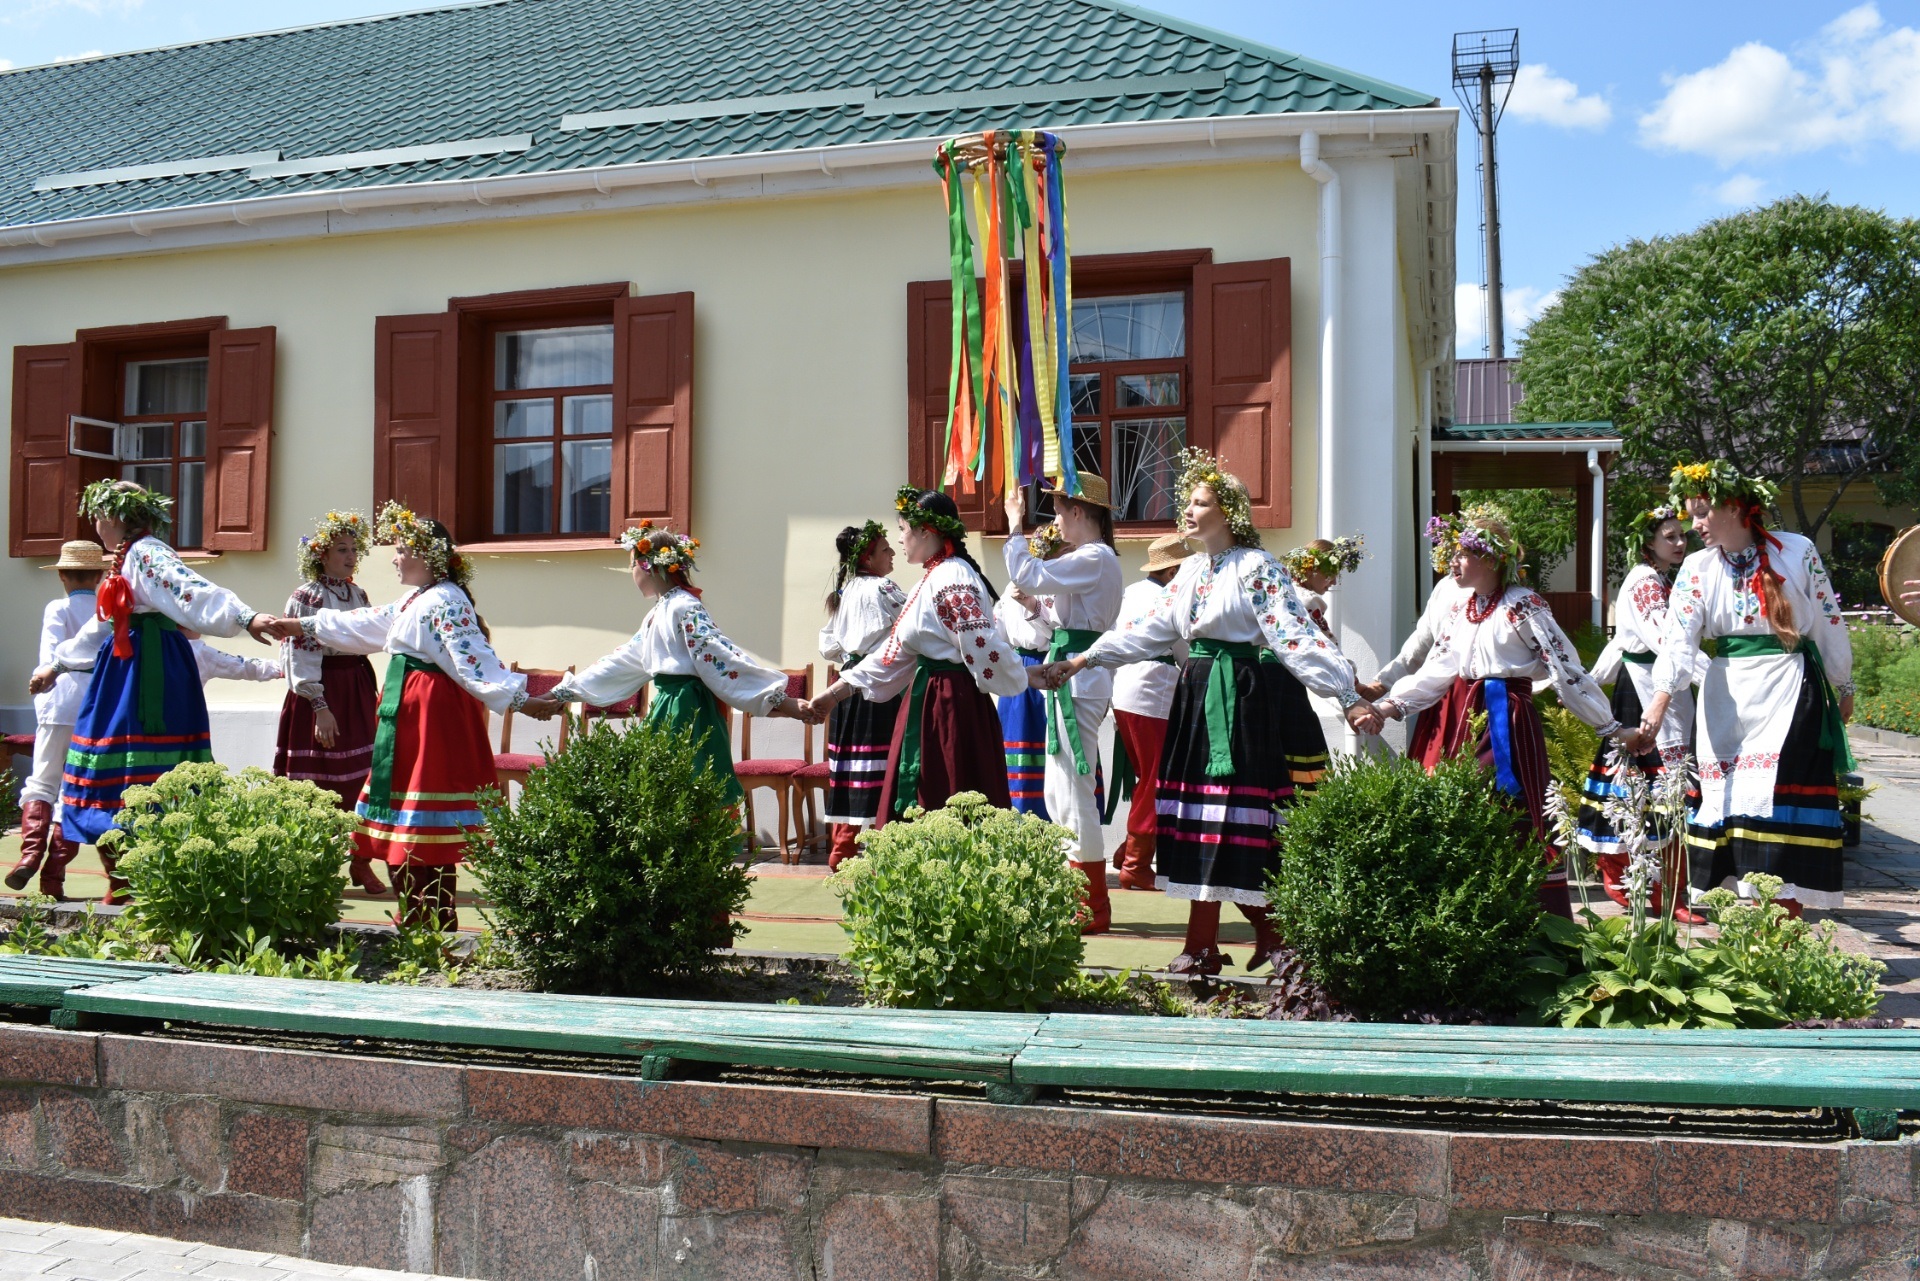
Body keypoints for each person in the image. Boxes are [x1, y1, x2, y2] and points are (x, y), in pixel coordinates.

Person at [1045, 451, 1381, 974]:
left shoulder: (1258, 567)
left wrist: (1348, 695)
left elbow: (1295, 637)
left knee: (1227, 819)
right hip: (1197, 695)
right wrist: (1086, 658)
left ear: (1228, 512)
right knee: (1203, 821)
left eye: (1200, 503)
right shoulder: (1193, 571)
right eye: (1190, 502)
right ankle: (1231, 941)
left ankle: (1235, 940)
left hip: (1242, 697)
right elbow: (1149, 629)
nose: (1189, 511)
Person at [261, 503, 561, 929]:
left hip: (432, 715)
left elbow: (473, 659)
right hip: (406, 709)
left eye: (402, 549)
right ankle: (420, 914)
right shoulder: (415, 598)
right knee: (406, 815)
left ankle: (431, 918)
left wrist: (521, 698)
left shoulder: (446, 600)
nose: (395, 558)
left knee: (423, 817)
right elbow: (367, 622)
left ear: (427, 557)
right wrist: (302, 626)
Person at [1373, 507, 1639, 917]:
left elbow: (1566, 670)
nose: (1453, 562)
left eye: (1462, 554)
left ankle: (1531, 920)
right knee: (1461, 807)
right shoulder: (1463, 608)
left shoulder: (1523, 605)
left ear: (1492, 560)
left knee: (1506, 806)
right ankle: (1467, 912)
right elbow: (1439, 667)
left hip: (1507, 723)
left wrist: (1608, 725)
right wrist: (1391, 705)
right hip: (1466, 720)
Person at [29, 482, 277, 903]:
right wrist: (59, 663)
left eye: (99, 516)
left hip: (152, 670)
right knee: (108, 765)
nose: (96, 524)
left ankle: (143, 880)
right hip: (126, 666)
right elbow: (102, 624)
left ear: (117, 518)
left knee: (143, 768)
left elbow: (192, 591)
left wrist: (245, 617)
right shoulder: (126, 558)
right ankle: (125, 880)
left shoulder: (149, 553)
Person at [1645, 462, 1854, 917]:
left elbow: (1828, 620)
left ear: (1735, 508)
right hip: (1727, 696)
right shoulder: (1698, 568)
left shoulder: (1795, 551)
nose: (1693, 526)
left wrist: (1843, 683)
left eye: (1701, 514)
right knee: (1732, 805)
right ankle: (1743, 921)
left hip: (1789, 688)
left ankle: (1780, 917)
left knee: (1779, 803)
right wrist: (1661, 697)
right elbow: (1678, 641)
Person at [549, 521, 809, 817]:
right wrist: (564, 692)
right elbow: (624, 659)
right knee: (667, 788)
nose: (631, 572)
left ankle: (696, 853)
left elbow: (719, 653)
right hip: (669, 705)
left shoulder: (684, 606)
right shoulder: (660, 610)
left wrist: (781, 701)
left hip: (688, 709)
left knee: (688, 786)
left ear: (649, 566)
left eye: (633, 564)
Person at [809, 487, 1036, 822]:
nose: (899, 540)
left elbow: (981, 642)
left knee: (951, 798)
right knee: (927, 799)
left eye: (902, 530)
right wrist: (835, 693)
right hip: (930, 703)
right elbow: (894, 652)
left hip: (952, 707)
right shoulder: (929, 580)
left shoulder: (951, 577)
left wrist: (1023, 675)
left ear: (925, 531)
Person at [1003, 476, 1124, 932]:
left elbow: (1029, 571)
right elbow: (1057, 614)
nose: (1054, 520)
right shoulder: (1090, 560)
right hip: (1070, 673)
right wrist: (1035, 606)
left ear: (1078, 512)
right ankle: (1075, 894)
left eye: (1057, 510)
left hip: (1079, 680)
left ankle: (1091, 904)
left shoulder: (1094, 557)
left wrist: (1016, 525)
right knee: (1060, 790)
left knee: (1073, 791)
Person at [1577, 505, 1703, 918]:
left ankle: (1667, 892)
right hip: (1648, 687)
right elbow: (1667, 639)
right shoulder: (1645, 582)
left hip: (1667, 686)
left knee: (1671, 786)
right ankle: (1635, 885)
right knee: (1645, 787)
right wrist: (1717, 676)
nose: (1680, 542)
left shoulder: (1661, 580)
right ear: (1648, 542)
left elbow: (1626, 641)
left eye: (1682, 535)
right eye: (1670, 536)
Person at [274, 511, 386, 895]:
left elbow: (368, 636)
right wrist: (318, 704)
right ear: (321, 555)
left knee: (363, 777)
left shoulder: (357, 594)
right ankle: (315, 866)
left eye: (354, 549)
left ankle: (360, 862)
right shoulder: (306, 596)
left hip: (355, 686)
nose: (351, 556)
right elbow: (299, 652)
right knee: (317, 783)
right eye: (342, 549)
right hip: (322, 691)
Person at [6, 541, 105, 897]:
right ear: (100, 575)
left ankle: (30, 854)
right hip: (97, 704)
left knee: (43, 779)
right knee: (77, 787)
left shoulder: (57, 608)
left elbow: (50, 655)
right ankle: (53, 875)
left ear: (62, 575)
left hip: (58, 699)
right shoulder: (109, 609)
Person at [817, 521, 909, 870]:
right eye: (886, 549)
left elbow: (828, 644)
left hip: (849, 687)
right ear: (869, 557)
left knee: (853, 768)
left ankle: (842, 850)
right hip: (876, 687)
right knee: (883, 768)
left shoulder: (846, 591)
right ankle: (891, 852)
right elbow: (913, 625)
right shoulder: (884, 588)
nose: (893, 553)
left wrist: (850, 657)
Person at [1106, 533, 1192, 892]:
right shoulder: (1170, 597)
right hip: (1152, 691)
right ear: (1172, 570)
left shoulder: (1131, 593)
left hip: (1125, 688)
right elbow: (1183, 648)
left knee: (1146, 777)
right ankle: (1136, 864)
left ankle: (1129, 852)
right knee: (1155, 780)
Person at [994, 557, 1057, 820]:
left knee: (1042, 744)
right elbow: (1057, 631)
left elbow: (996, 635)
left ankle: (1033, 814)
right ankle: (1032, 814)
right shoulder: (1052, 585)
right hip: (1037, 669)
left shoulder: (1015, 588)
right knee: (1025, 741)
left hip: (1027, 667)